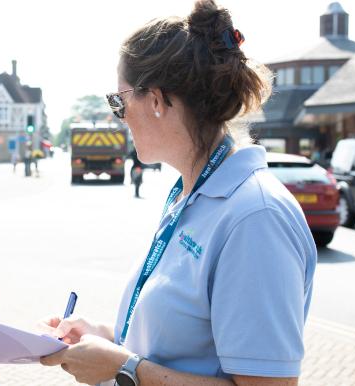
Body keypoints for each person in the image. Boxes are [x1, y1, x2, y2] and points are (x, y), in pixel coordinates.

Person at [40, 1, 317, 385]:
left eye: (118, 102)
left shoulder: (256, 217)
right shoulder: (192, 194)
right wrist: (108, 340)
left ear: (155, 100)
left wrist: (124, 367)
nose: (117, 118)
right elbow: (183, 344)